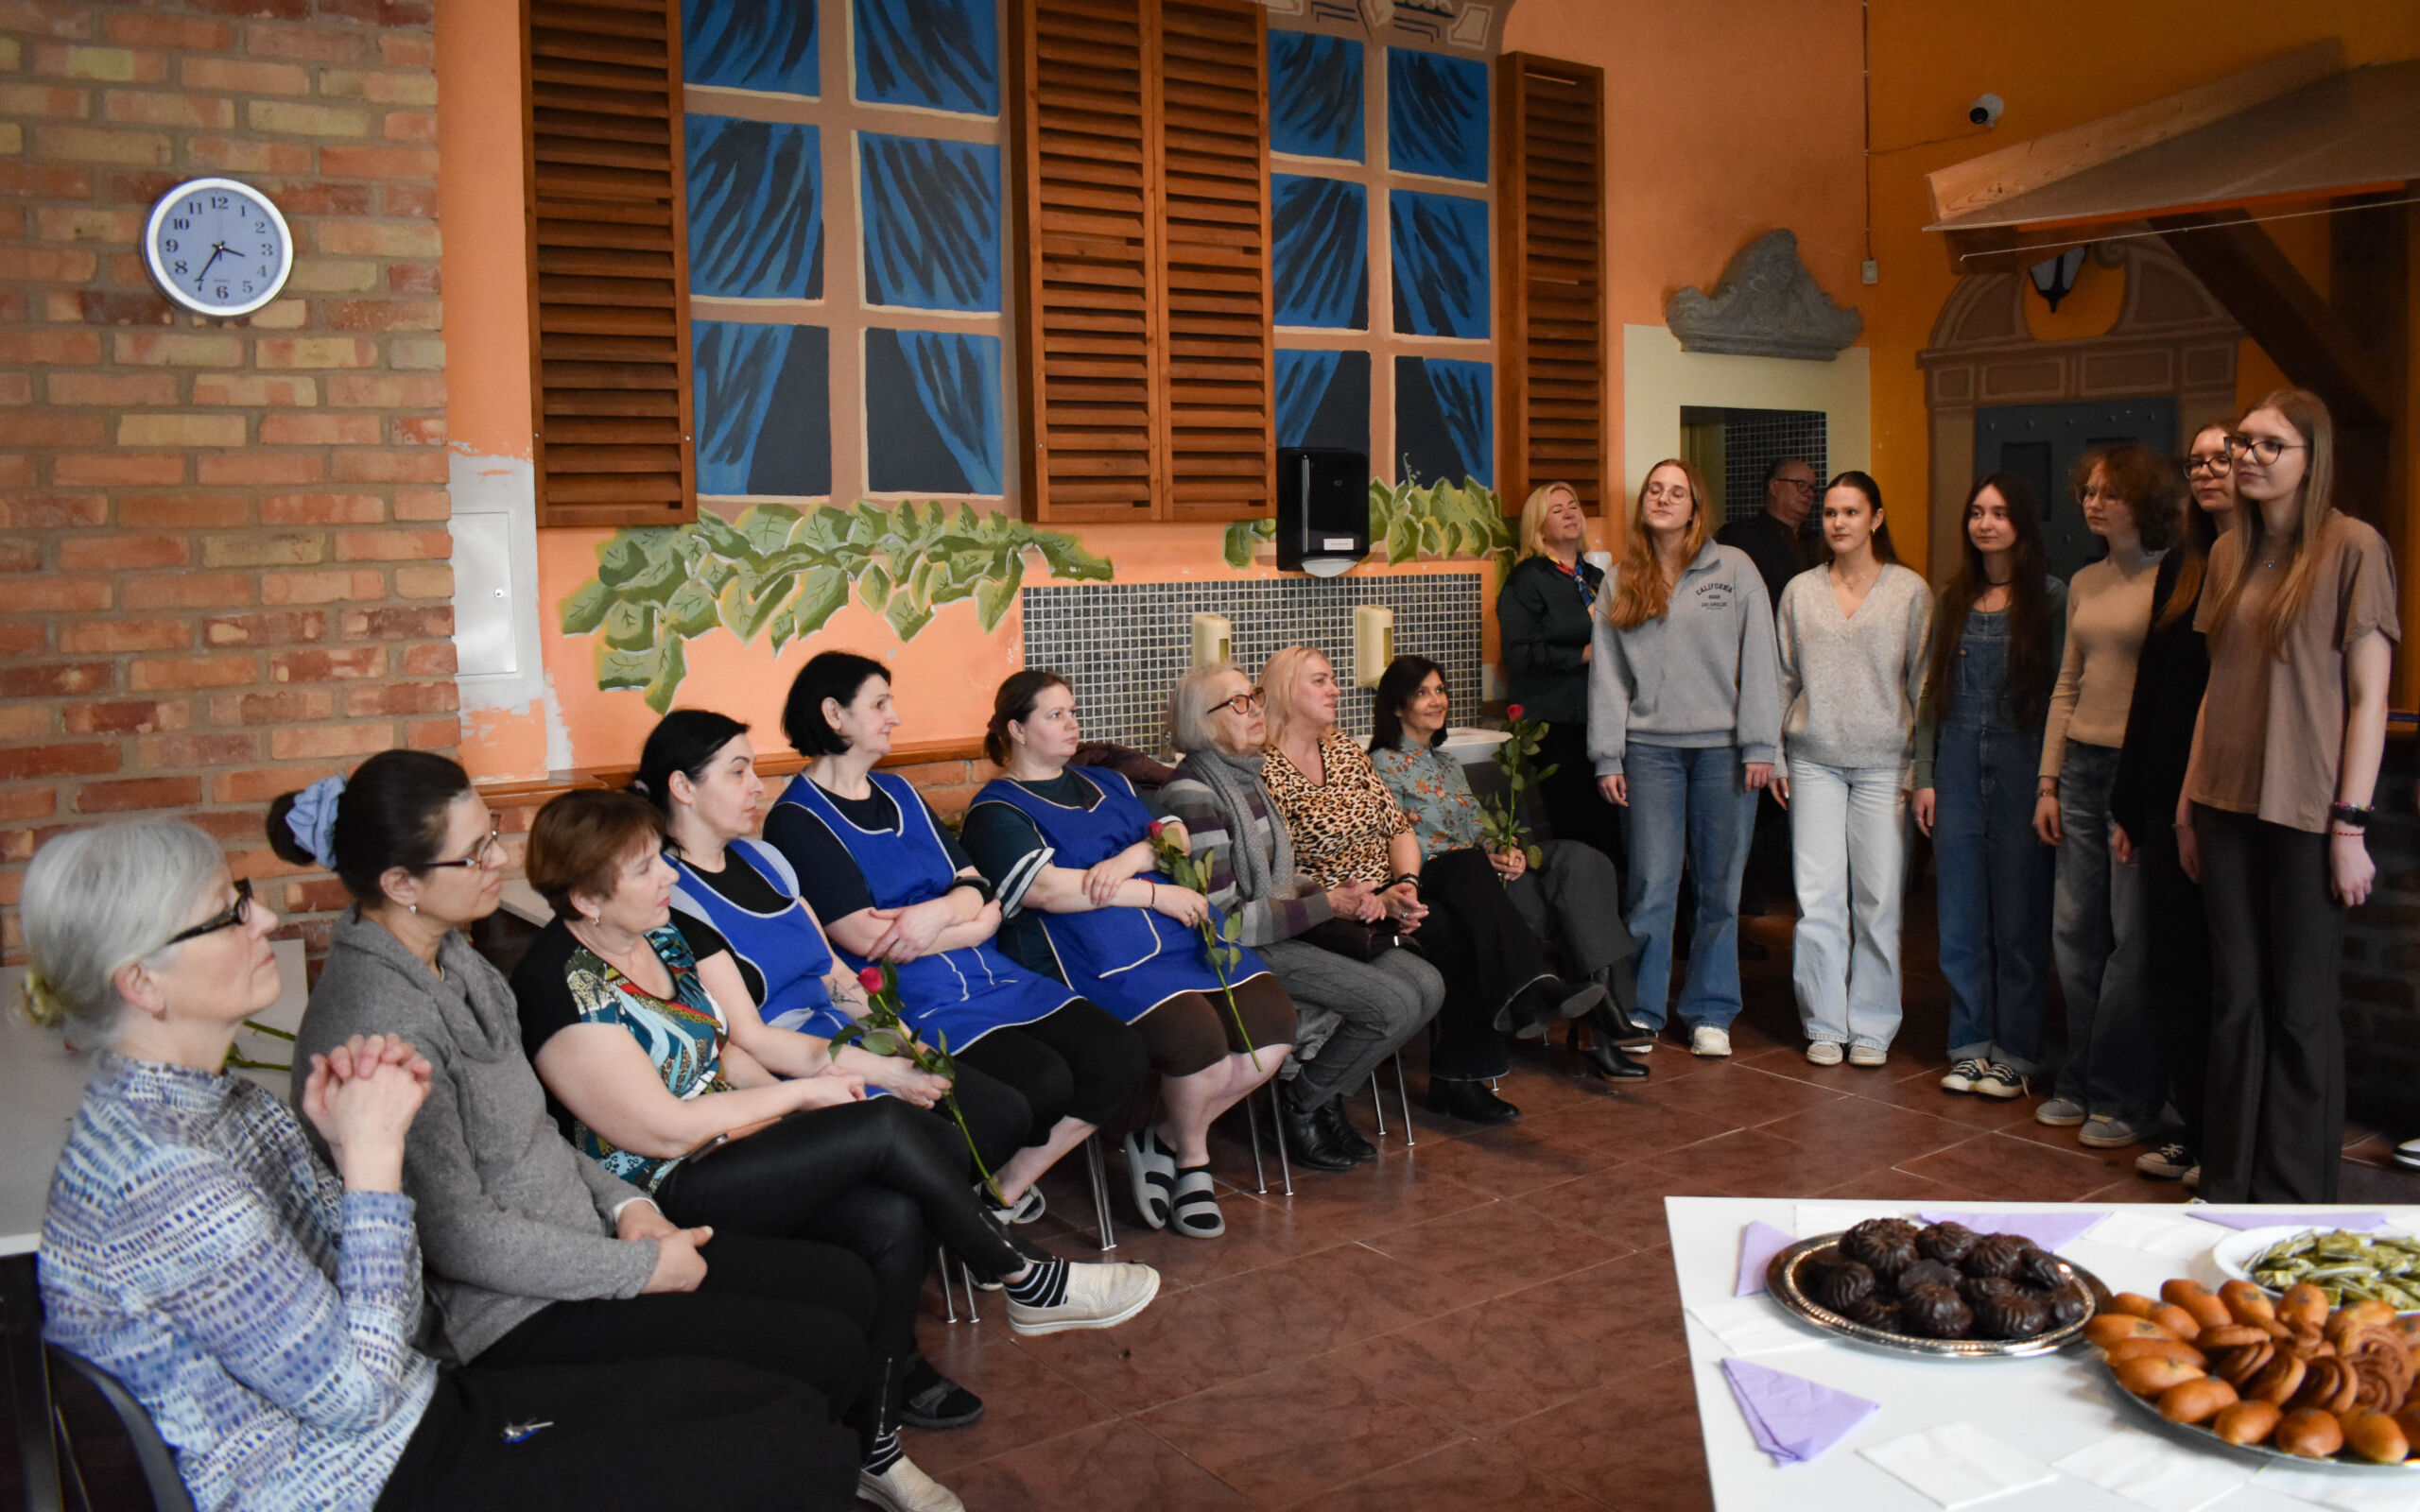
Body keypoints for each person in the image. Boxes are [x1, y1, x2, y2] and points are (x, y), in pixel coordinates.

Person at [25, 818, 861, 1512]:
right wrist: (371, 1164)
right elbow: (357, 1392)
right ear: (141, 982)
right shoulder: (165, 1177)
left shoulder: (221, 1107)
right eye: (227, 914)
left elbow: (374, 1304)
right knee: (787, 1451)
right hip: (360, 1478)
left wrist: (347, 1153)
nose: (267, 921)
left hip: (414, 1412)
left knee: (785, 1405)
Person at [274, 755, 928, 1508]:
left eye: (491, 833)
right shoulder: (378, 1022)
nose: (501, 860)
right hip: (508, 1314)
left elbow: (533, 1135)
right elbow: (457, 1237)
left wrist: (628, 1206)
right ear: (400, 884)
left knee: (843, 1283)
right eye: (476, 852)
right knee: (815, 1351)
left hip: (591, 1241)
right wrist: (639, 1269)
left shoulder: (454, 957)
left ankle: (837, 1460)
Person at [510, 787, 1160, 1505]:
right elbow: (658, 1129)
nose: (668, 874)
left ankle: (876, 1446)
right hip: (666, 1188)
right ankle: (1021, 1275)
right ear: (586, 899)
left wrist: (865, 1070)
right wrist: (800, 1100)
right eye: (644, 869)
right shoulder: (559, 983)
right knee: (879, 1127)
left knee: (893, 1214)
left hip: (736, 1144)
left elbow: (736, 1052)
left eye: (661, 858)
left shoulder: (662, 936)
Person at [763, 651, 1149, 1222]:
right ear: (833, 714)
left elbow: (976, 884)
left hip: (991, 974)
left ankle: (1002, 1190)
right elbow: (867, 938)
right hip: (912, 997)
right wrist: (971, 923)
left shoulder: (900, 791)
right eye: (880, 704)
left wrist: (936, 914)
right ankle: (971, 1197)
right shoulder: (797, 819)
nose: (895, 717)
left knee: (1119, 1054)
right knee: (1042, 1082)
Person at [634, 709, 1032, 1188]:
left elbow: (836, 975)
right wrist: (887, 1072)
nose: (757, 787)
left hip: (847, 1038)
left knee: (1002, 1114)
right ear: (683, 787)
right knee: (940, 1145)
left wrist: (905, 1043)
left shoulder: (766, 859)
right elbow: (751, 1038)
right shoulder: (672, 897)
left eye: (753, 770)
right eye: (738, 773)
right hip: (793, 1067)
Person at [962, 671, 1298, 1239]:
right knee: (1199, 1042)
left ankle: (1159, 1138)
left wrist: (1131, 858)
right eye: (1055, 715)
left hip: (1179, 935)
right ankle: (1193, 1160)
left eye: (1072, 711)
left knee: (1274, 1029)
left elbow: (1177, 836)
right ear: (1016, 730)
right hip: (1088, 951)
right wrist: (1154, 891)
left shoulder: (1107, 781)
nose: (1072, 724)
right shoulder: (996, 810)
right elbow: (1048, 890)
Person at [2180, 388, 2399, 1204]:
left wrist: (2351, 826)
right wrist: (2187, 804)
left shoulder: (2353, 547)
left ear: (2313, 458)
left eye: (2271, 444)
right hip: (2223, 803)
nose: (2248, 456)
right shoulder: (2229, 551)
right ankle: (2228, 1183)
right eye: (2243, 441)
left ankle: (2293, 1194)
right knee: (2234, 1000)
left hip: (2309, 811)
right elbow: (2215, 689)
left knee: (2300, 1008)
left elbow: (2369, 698)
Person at [1260, 644, 1605, 1125]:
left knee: (1468, 874)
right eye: (1320, 681)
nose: (1335, 689)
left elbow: (1398, 829)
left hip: (1396, 886)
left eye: (1333, 679)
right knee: (1457, 925)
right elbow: (1281, 870)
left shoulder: (1342, 751)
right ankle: (1478, 1057)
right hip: (1340, 907)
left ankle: (1513, 1013)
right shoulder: (1264, 769)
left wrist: (1405, 884)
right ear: (1284, 691)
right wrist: (1373, 896)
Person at [1158, 662, 1443, 1169]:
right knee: (1392, 1003)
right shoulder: (1193, 795)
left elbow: (1283, 879)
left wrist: (1348, 895)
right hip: (1241, 948)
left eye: (1255, 696)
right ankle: (1301, 1105)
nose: (1256, 710)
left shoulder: (1246, 776)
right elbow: (1223, 921)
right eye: (1239, 703)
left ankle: (1323, 1095)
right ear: (1204, 721)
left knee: (1427, 983)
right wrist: (1326, 905)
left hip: (1283, 930)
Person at [1364, 654, 1650, 1081]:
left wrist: (1506, 846)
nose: (1436, 700)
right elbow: (1394, 839)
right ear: (1396, 706)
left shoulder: (1447, 764)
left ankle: (1605, 1012)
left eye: (1439, 690)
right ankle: (1600, 1023)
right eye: (1422, 693)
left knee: (1581, 861)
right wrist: (1480, 857)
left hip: (1484, 875)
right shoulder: (1382, 764)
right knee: (1566, 899)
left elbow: (1478, 827)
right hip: (1447, 884)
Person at [1588, 459, 1784, 1057]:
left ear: (1696, 507)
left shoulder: (1735, 569)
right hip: (1649, 754)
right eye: (1655, 489)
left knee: (1720, 888)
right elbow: (1609, 676)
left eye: (1677, 492)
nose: (1663, 499)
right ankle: (1642, 1009)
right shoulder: (1621, 579)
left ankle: (1710, 1011)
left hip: (1725, 752)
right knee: (1651, 885)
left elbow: (1762, 660)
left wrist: (1761, 744)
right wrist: (1608, 756)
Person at [2033, 443, 2181, 1149]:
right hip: (2081, 765)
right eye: (2087, 491)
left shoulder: (2173, 577)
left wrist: (2140, 793)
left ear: (2142, 501)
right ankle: (2079, 1077)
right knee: (2074, 932)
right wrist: (2048, 780)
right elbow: (2067, 685)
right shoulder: (2086, 580)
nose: (2092, 503)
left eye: (2109, 493)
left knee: (2129, 940)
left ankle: (2124, 1094)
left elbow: (2169, 694)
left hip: (2133, 770)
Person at [2108, 424, 2237, 1188]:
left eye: (2225, 457)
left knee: (2231, 977)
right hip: (2163, 791)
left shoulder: (2262, 562)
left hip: (2233, 795)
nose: (2211, 471)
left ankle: (2232, 1136)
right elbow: (2152, 686)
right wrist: (2130, 799)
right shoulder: (2183, 563)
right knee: (2175, 970)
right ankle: (2190, 1127)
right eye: (2199, 462)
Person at [1911, 475, 2067, 1100]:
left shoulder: (2051, 598)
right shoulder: (1954, 598)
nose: (1985, 524)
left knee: (2020, 918)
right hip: (1955, 767)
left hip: (2023, 765)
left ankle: (2017, 1053)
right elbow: (1932, 694)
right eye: (1977, 512)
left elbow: (2062, 692)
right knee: (1959, 917)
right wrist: (1925, 777)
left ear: (2021, 524)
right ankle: (1969, 1044)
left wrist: (2050, 782)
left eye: (1999, 513)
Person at [1772, 471, 1931, 1068]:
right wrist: (1777, 754)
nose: (1838, 522)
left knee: (1879, 899)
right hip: (1812, 760)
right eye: (1831, 512)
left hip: (1885, 764)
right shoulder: (1800, 591)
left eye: (1851, 512)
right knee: (1817, 899)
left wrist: (1919, 769)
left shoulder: (1910, 592)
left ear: (1876, 519)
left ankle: (1872, 1025)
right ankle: (1823, 1022)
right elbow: (1782, 678)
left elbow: (1924, 685)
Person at [1495, 480, 1621, 862]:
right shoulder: (1527, 580)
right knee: (1576, 822)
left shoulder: (1596, 578)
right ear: (1538, 526)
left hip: (1599, 719)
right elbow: (1520, 654)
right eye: (1557, 510)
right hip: (1553, 722)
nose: (1570, 514)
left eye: (1573, 505)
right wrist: (1584, 654)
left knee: (1610, 825)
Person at [1719, 455, 1818, 609]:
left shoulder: (1817, 542)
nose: (1809, 494)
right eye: (1801, 485)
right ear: (1774, 487)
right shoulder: (1740, 536)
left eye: (1812, 488)